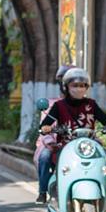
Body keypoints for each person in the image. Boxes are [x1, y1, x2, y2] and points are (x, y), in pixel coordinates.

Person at [36, 68, 106, 204]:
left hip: (89, 147)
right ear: (66, 87)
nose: (79, 89)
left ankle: (102, 187)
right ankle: (42, 192)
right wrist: (45, 127)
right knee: (45, 155)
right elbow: (47, 122)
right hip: (65, 147)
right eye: (75, 86)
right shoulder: (59, 106)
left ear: (86, 88)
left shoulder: (92, 104)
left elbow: (105, 119)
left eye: (82, 86)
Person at [33, 65, 73, 204]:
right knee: (44, 156)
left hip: (74, 145)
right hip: (52, 145)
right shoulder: (51, 104)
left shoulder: (86, 105)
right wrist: (50, 141)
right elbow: (45, 128)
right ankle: (42, 191)